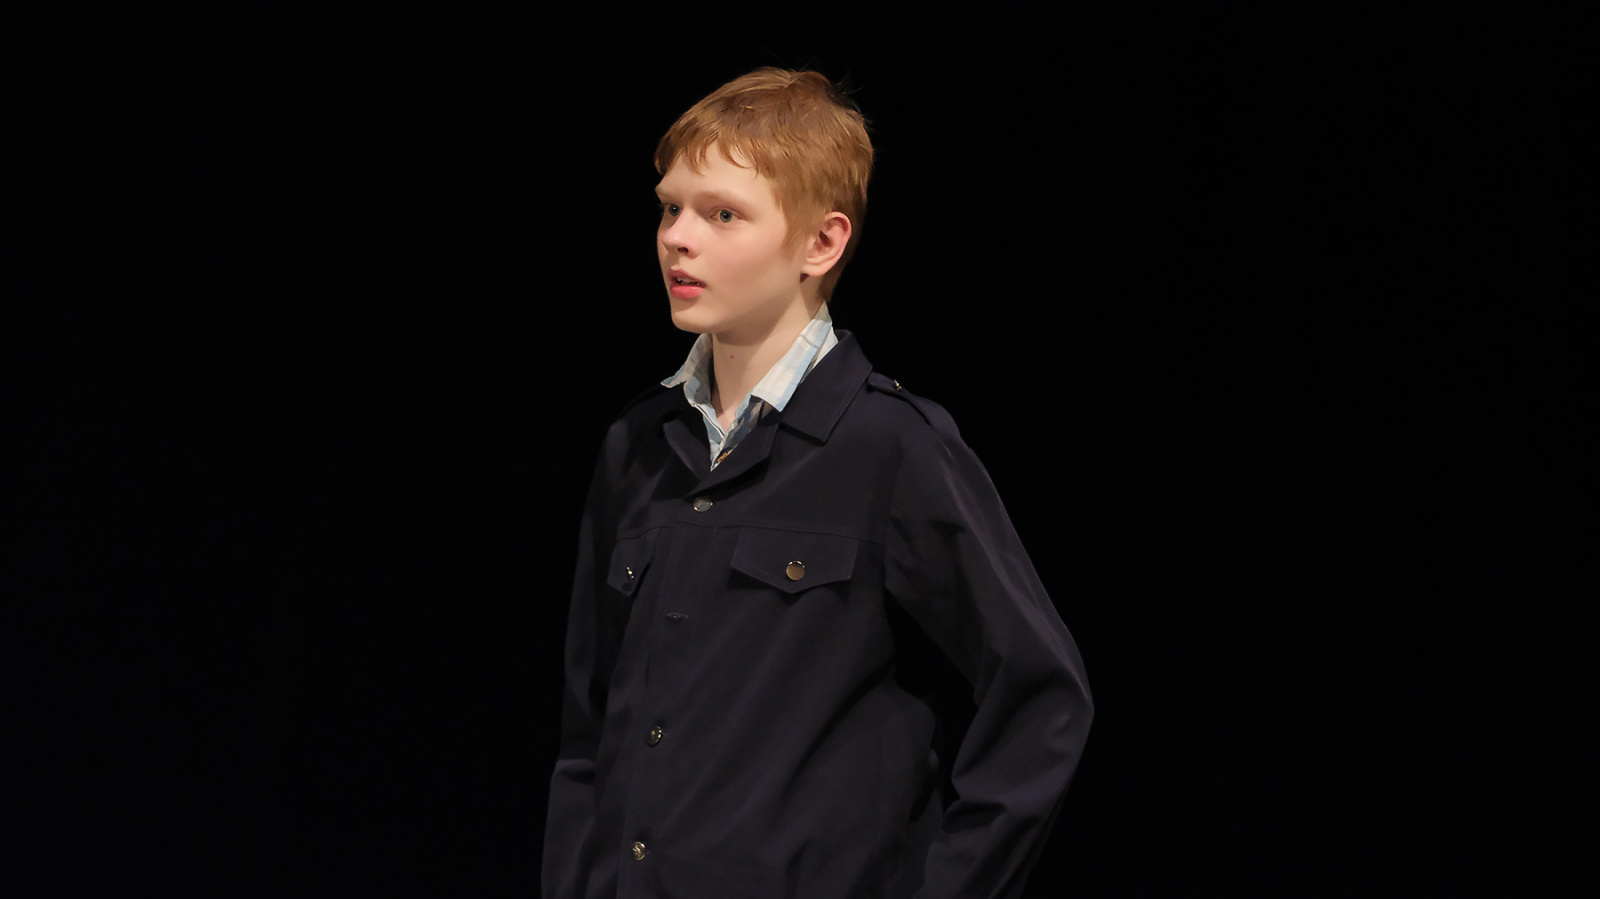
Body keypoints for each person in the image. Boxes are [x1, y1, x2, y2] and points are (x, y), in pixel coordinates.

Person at [543, 67, 1092, 899]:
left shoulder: (888, 446)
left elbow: (1042, 698)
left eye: (722, 214)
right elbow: (589, 732)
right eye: (670, 208)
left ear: (821, 243)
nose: (677, 238)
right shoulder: (638, 445)